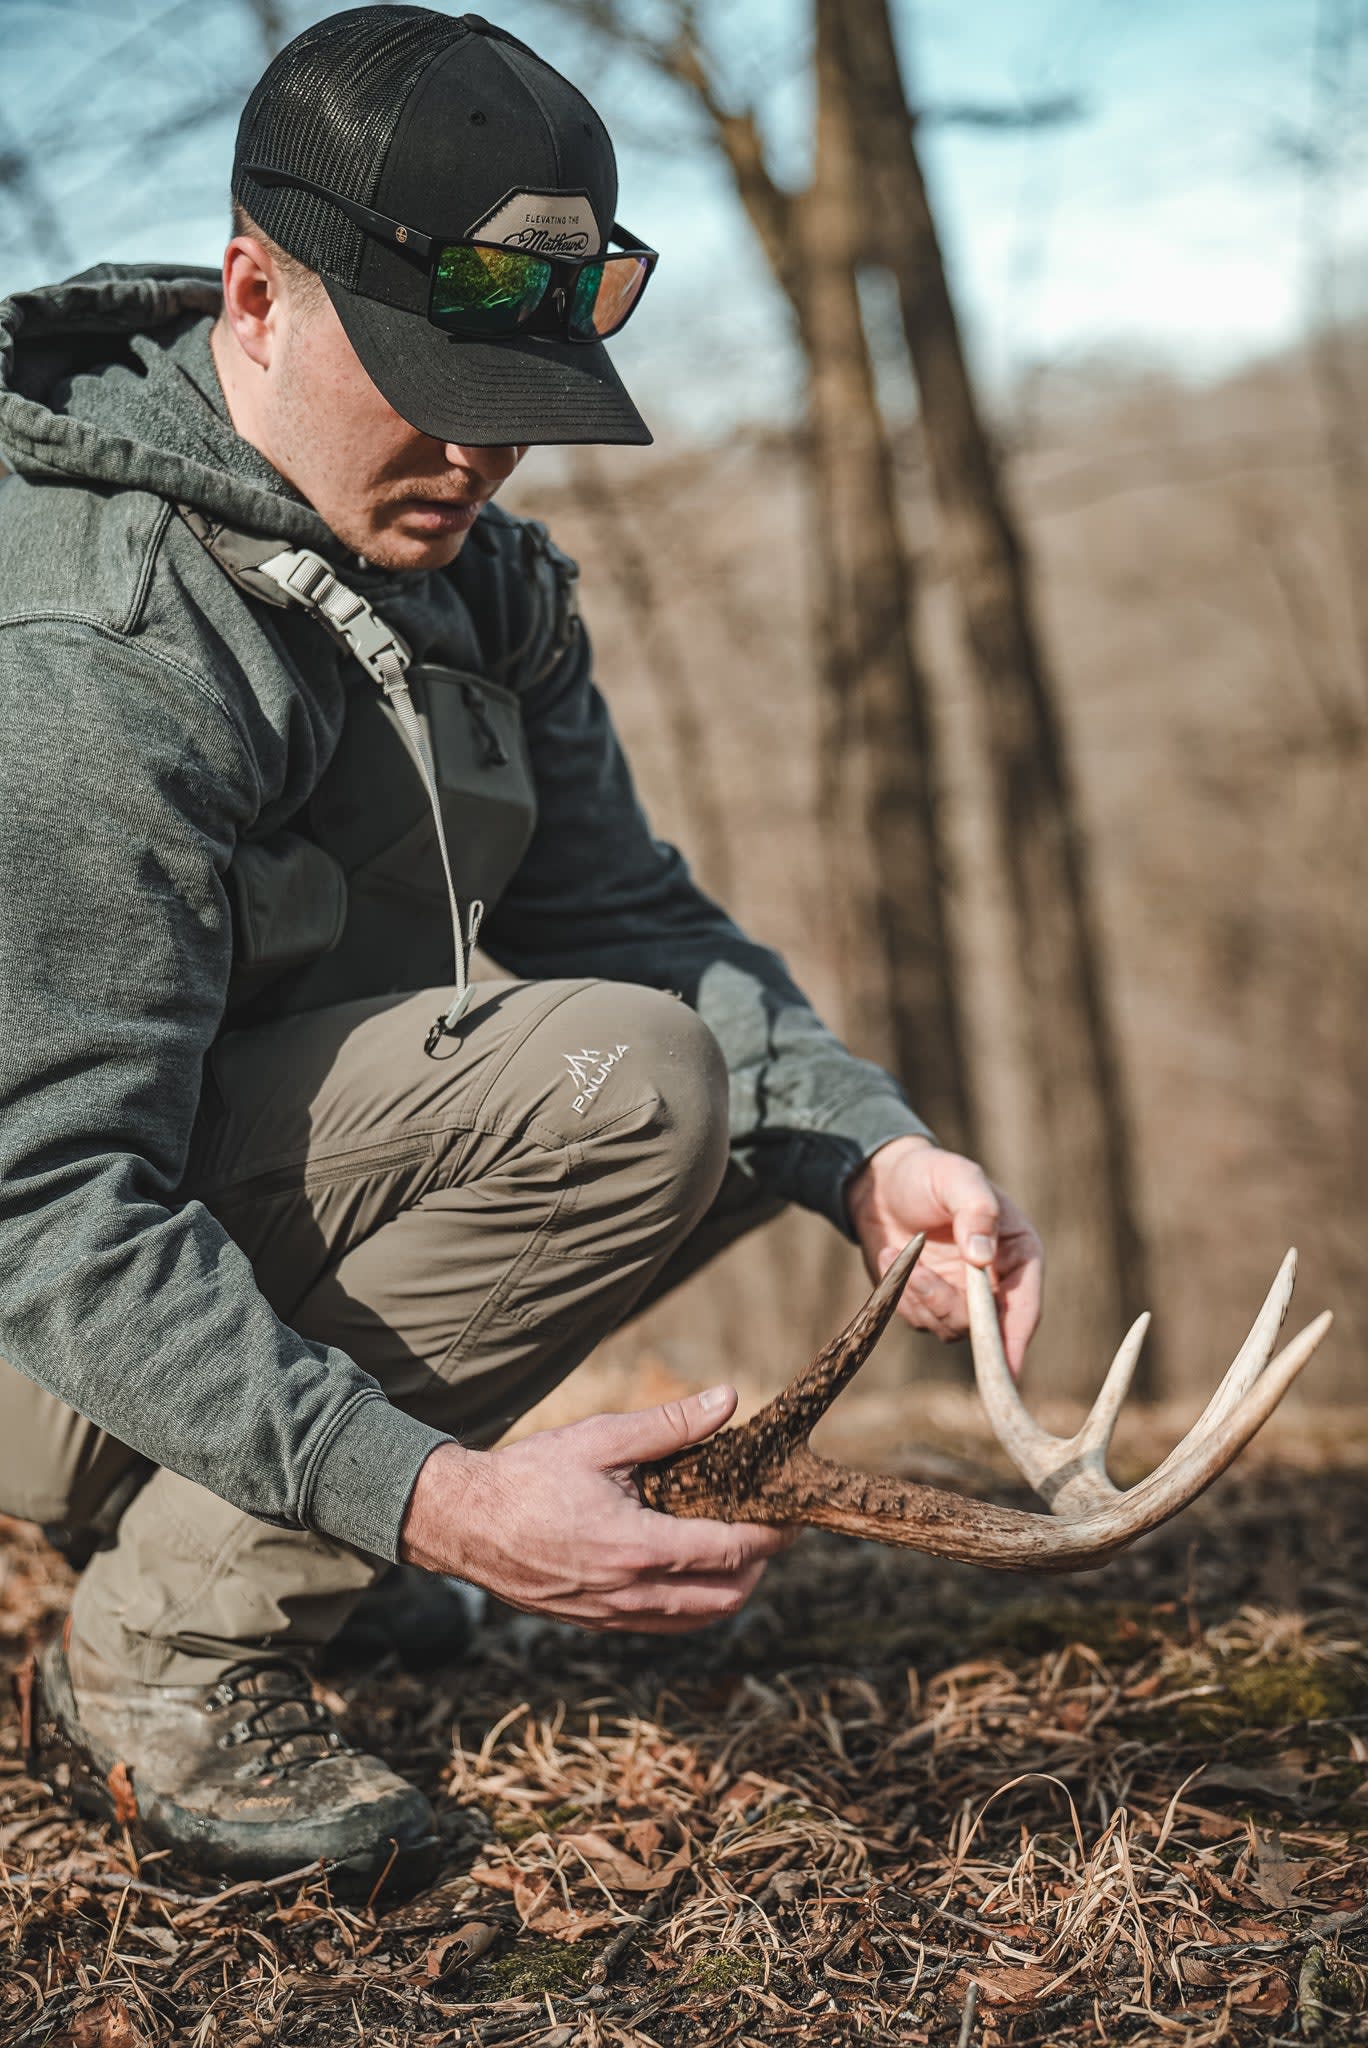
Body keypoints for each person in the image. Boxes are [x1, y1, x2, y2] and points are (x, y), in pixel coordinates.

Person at [0, 7, 1042, 1898]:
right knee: (628, 1085)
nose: (483, 450)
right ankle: (167, 1645)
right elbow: (45, 1198)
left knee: (718, 1092)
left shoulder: (472, 580)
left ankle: (266, 1525)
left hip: (168, 1232)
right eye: (431, 380)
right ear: (255, 296)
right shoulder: (98, 641)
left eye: (520, 392)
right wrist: (439, 1500)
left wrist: (871, 1153)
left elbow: (630, 919)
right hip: (35, 1297)